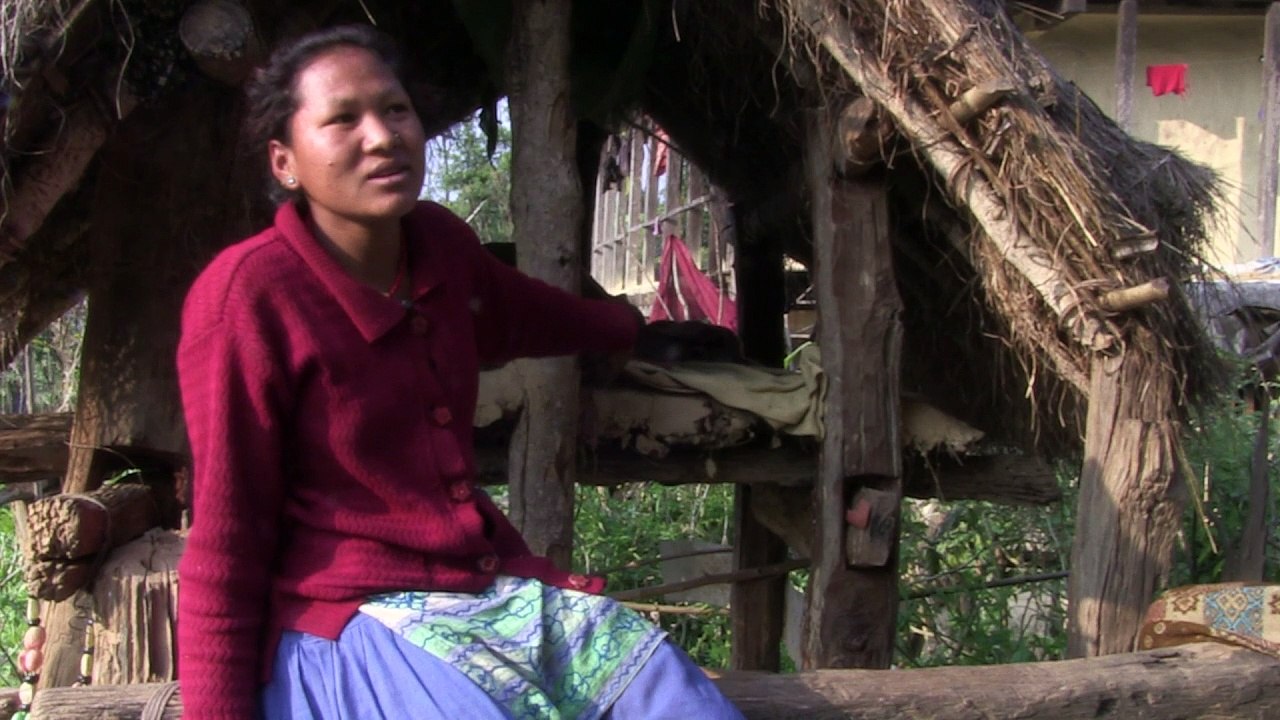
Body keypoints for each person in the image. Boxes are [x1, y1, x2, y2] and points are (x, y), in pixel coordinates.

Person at [175, 23, 744, 720]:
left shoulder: (438, 246)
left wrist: (633, 330)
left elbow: (522, 313)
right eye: (342, 120)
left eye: (394, 109)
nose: (381, 137)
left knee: (678, 697)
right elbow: (226, 545)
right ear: (285, 162)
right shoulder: (249, 298)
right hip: (351, 614)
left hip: (483, 588)